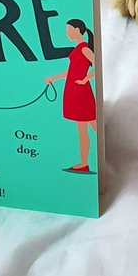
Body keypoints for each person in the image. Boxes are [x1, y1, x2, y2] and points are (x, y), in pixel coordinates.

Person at [44, 18, 96, 173]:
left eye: (69, 30)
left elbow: (98, 66)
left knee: (93, 126)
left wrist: (86, 79)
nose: (67, 33)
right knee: (84, 129)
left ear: (77, 30)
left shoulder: (84, 49)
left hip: (81, 92)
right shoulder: (78, 48)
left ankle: (89, 161)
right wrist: (54, 78)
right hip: (74, 91)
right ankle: (84, 163)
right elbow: (72, 71)